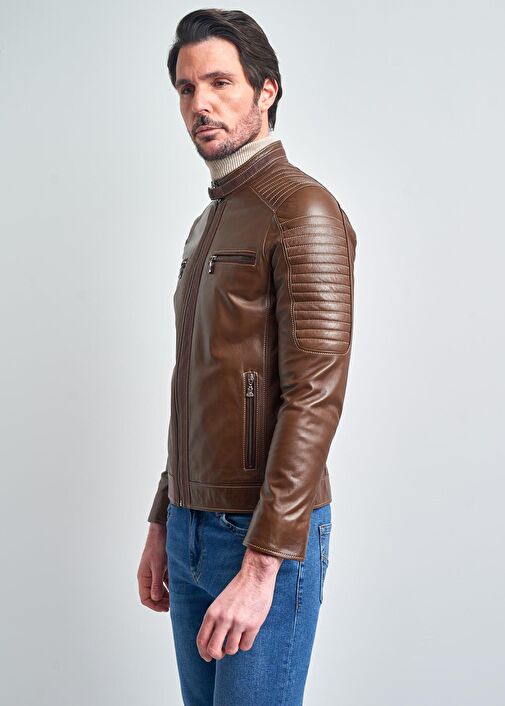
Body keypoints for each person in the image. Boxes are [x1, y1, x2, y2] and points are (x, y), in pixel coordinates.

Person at [137, 8, 357, 705]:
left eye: (219, 82)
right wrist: (164, 514)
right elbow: (199, 383)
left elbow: (314, 396)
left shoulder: (302, 211)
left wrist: (262, 565)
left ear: (266, 89)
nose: (199, 104)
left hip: (261, 535)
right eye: (185, 88)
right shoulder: (210, 219)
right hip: (190, 529)